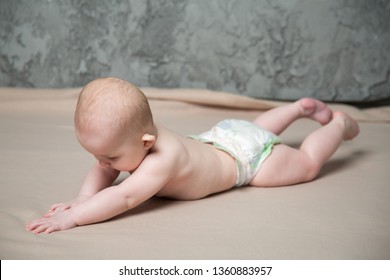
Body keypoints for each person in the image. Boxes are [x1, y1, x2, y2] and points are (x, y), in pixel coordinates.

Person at [26, 77, 359, 234]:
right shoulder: (135, 137)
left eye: (110, 157)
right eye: (96, 154)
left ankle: (339, 126)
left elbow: (123, 196)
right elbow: (106, 172)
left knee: (306, 165)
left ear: (145, 142)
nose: (103, 164)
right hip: (224, 135)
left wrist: (73, 217)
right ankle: (296, 109)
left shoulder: (160, 160)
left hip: (246, 163)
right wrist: (82, 197)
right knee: (255, 129)